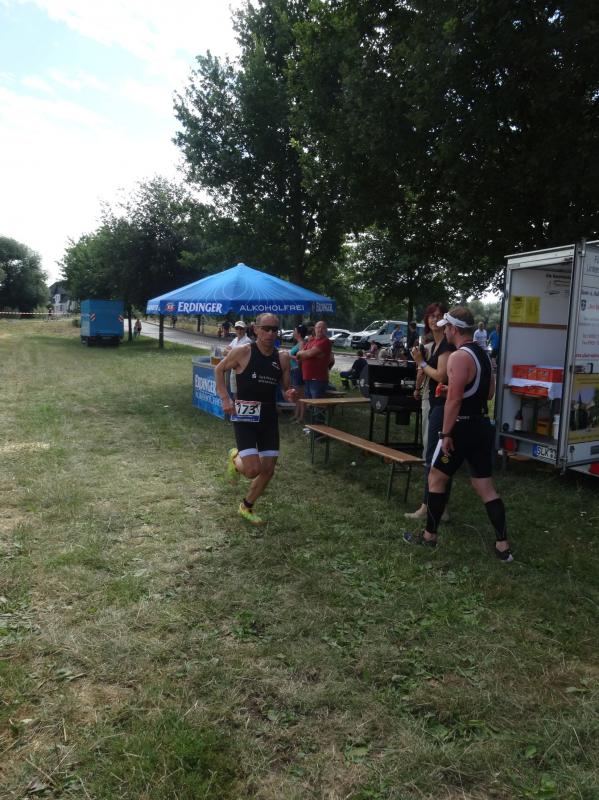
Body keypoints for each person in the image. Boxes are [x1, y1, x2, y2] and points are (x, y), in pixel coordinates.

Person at [403, 306, 513, 562]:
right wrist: (456, 389)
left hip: (460, 427)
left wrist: (446, 434)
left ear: (454, 328)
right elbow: (488, 394)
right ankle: (503, 545)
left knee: (436, 478)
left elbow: (453, 401)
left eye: (446, 328)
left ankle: (429, 537)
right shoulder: (484, 354)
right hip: (482, 426)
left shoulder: (458, 357)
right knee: (485, 486)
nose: (444, 331)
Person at [215, 313, 295, 525]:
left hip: (268, 417)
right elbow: (219, 369)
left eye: (275, 329)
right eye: (266, 328)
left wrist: (289, 393)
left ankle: (246, 506)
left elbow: (286, 387)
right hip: (245, 414)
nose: (270, 333)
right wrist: (225, 398)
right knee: (252, 470)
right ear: (256, 329)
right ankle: (235, 457)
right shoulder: (243, 351)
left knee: (268, 469)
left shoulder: (283, 357)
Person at [405, 303, 453, 521]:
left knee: (434, 456)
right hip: (434, 402)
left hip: (442, 406)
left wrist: (421, 363)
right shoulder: (433, 344)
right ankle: (438, 506)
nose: (434, 319)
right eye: (431, 316)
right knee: (436, 455)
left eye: (439, 316)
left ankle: (429, 506)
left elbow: (441, 376)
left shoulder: (446, 345)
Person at [225, 321, 252, 396]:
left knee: (239, 393)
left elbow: (238, 356)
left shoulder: (247, 341)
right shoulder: (235, 339)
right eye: (237, 328)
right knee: (233, 392)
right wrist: (233, 353)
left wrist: (231, 352)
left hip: (241, 371)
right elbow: (224, 351)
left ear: (245, 329)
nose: (239, 331)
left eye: (241, 329)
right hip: (233, 368)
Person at [289, 324, 308, 422]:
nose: (293, 332)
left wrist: (289, 356)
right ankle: (296, 415)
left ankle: (301, 417)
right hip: (294, 370)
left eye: (294, 331)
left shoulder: (301, 343)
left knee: (301, 395)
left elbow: (300, 358)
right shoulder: (298, 343)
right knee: (296, 395)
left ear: (299, 333)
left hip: (298, 370)